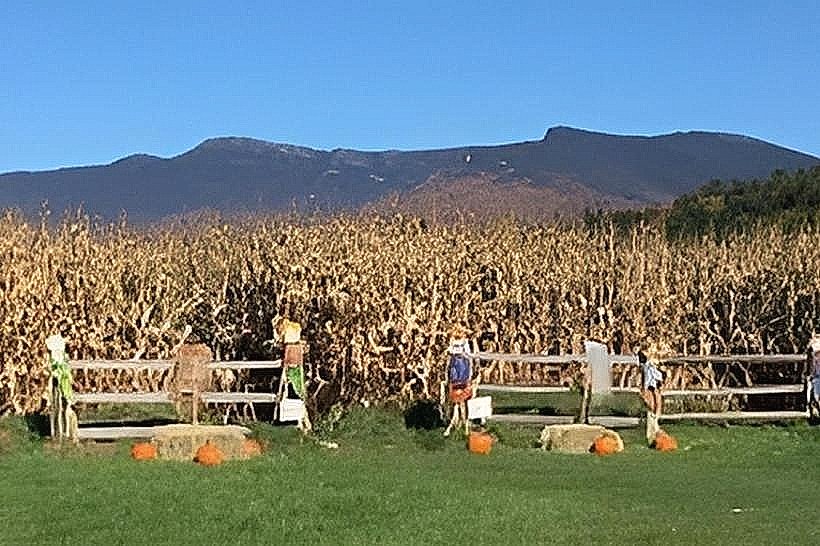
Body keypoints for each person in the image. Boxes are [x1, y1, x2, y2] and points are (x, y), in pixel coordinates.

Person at [638, 348, 664, 442]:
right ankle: (653, 428)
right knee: (653, 406)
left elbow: (653, 375)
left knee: (653, 406)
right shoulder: (647, 365)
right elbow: (654, 375)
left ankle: (654, 427)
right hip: (650, 386)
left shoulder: (647, 365)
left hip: (651, 386)